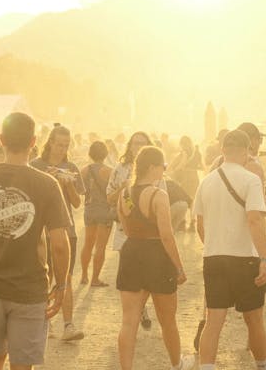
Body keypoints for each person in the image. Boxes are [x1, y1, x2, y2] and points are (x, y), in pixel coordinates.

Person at [0, 112, 71, 370]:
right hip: (29, 289)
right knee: (22, 364)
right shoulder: (47, 184)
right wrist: (61, 286)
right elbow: (60, 245)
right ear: (34, 142)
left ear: (1, 139)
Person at [196, 130, 266, 370]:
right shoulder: (250, 180)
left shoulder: (206, 181)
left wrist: (214, 244)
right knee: (254, 319)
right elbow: (255, 220)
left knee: (214, 320)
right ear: (247, 151)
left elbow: (199, 225)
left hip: (213, 257)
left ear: (222, 150)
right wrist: (264, 259)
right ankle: (263, 366)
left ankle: (206, 367)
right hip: (245, 257)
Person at [115, 146, 193, 370]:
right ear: (153, 167)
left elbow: (125, 227)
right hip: (157, 255)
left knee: (129, 321)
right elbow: (167, 236)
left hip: (131, 253)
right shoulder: (159, 195)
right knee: (167, 320)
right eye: (163, 166)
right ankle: (177, 365)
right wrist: (179, 267)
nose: (164, 171)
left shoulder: (124, 194)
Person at [30, 125, 86, 342]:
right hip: (39, 230)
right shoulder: (35, 166)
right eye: (59, 144)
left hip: (65, 227)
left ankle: (68, 325)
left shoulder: (71, 167)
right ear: (50, 142)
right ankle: (45, 320)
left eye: (66, 145)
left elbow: (77, 202)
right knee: (43, 276)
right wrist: (48, 179)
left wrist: (67, 184)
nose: (62, 149)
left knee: (67, 277)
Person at [106, 131, 156, 329]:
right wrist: (125, 189)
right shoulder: (120, 169)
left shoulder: (155, 170)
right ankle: (133, 315)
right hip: (125, 230)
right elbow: (109, 196)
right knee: (130, 276)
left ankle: (140, 307)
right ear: (130, 145)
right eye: (136, 143)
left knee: (149, 274)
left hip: (150, 232)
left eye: (143, 144)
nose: (138, 147)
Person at [80, 141, 115, 286]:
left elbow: (81, 190)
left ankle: (83, 275)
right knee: (100, 246)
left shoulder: (84, 170)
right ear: (105, 154)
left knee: (87, 244)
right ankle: (95, 278)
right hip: (104, 210)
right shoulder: (110, 171)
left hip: (89, 209)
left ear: (90, 154)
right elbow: (113, 191)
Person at [168, 136, 202, 228]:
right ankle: (193, 221)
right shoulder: (197, 152)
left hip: (186, 177)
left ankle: (182, 221)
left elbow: (182, 163)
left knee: (183, 197)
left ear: (183, 143)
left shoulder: (184, 152)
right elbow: (201, 166)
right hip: (194, 176)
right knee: (192, 199)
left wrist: (174, 170)